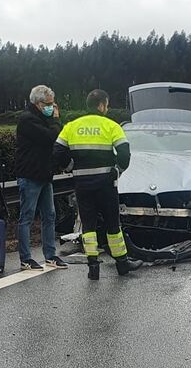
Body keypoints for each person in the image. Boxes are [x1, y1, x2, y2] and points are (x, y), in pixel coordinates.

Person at [54, 89, 140, 280]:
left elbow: (58, 150)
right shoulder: (111, 126)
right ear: (101, 105)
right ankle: (122, 265)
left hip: (82, 184)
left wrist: (71, 167)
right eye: (106, 105)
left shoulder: (72, 126)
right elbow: (125, 153)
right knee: (112, 225)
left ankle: (93, 267)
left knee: (88, 226)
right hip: (106, 184)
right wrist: (117, 170)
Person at [15, 84, 68, 270]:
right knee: (27, 216)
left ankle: (50, 255)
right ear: (37, 103)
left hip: (45, 175)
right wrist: (55, 120)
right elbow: (49, 137)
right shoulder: (28, 120)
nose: (52, 108)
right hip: (30, 175)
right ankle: (25, 258)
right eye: (48, 104)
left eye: (53, 104)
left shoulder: (41, 118)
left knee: (50, 215)